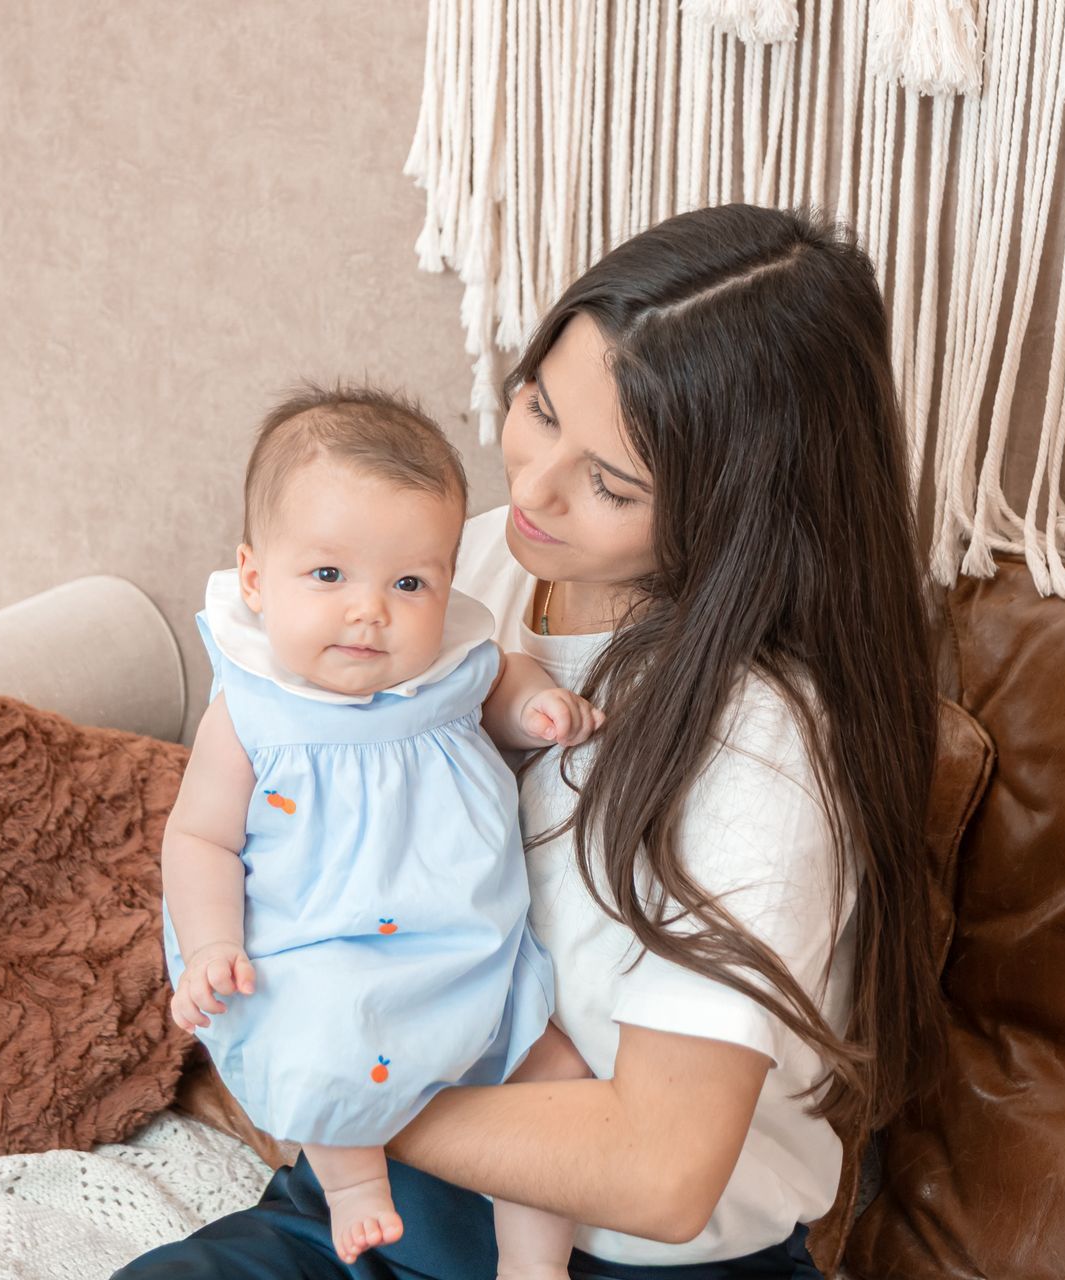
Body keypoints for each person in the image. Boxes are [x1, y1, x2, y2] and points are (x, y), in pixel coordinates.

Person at [116, 203, 942, 1279]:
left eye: (612, 482)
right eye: (541, 409)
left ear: (737, 512)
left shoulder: (758, 752)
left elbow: (661, 1169)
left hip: (610, 1256)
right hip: (372, 1203)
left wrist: (331, 1074)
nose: (535, 488)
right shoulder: (467, 572)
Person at [159, 384, 602, 1276]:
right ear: (255, 578)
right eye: (329, 576)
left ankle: (534, 1267)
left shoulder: (451, 665)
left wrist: (534, 710)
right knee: (324, 1052)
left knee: (557, 1085)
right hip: (321, 953)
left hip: (469, 948)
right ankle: (355, 1190)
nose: (372, 610)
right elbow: (198, 839)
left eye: (409, 583)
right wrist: (210, 944)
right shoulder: (252, 712)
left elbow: (501, 679)